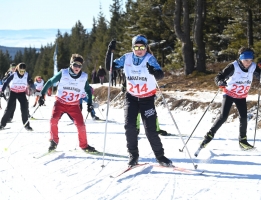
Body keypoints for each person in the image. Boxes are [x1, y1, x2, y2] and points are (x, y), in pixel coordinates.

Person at [105, 34, 172, 167]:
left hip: (147, 99)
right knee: (129, 127)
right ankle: (133, 155)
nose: (139, 50)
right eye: (136, 47)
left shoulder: (149, 59)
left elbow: (160, 75)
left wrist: (154, 71)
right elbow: (110, 67)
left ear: (146, 47)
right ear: (133, 47)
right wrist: (109, 51)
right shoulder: (127, 57)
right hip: (131, 98)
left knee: (150, 130)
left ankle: (160, 156)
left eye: (142, 47)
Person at [199, 47, 261, 151]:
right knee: (223, 117)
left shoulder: (253, 66)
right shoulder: (233, 66)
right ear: (240, 59)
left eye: (250, 60)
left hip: (241, 96)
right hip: (229, 94)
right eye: (246, 60)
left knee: (244, 118)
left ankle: (243, 141)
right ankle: (208, 136)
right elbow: (219, 77)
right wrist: (220, 82)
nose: (248, 63)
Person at [38, 54, 97, 153]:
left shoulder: (83, 77)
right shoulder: (63, 73)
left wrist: (89, 103)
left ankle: (84, 145)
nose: (77, 68)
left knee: (81, 125)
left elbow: (87, 89)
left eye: (79, 65)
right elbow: (49, 82)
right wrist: (42, 95)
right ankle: (53, 142)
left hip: (74, 105)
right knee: (53, 120)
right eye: (75, 65)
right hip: (60, 103)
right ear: (71, 64)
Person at [0, 63, 34, 131]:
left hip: (22, 93)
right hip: (13, 93)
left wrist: (31, 86)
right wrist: (2, 91)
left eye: (23, 71)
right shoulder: (14, 75)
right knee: (8, 109)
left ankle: (26, 125)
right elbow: (6, 82)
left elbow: (31, 82)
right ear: (18, 70)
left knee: (24, 109)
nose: (22, 73)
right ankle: (2, 124)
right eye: (21, 71)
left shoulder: (26, 75)